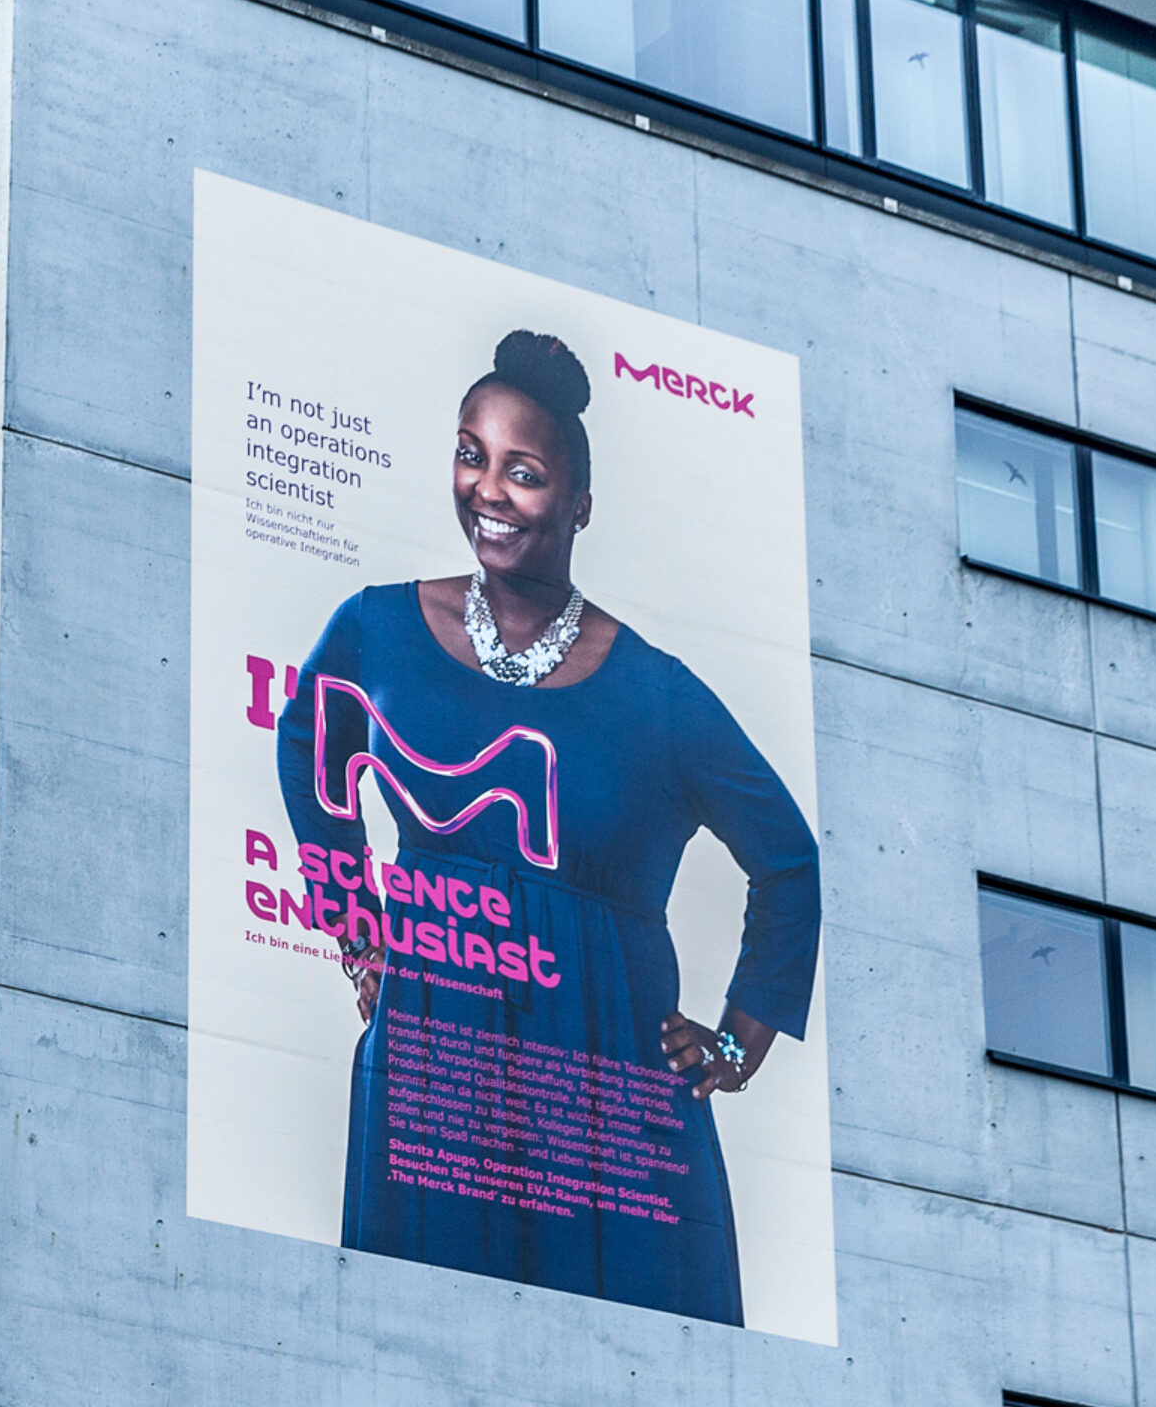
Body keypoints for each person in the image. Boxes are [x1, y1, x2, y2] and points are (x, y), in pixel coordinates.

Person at [276, 330, 819, 1323]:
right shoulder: (378, 628)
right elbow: (309, 741)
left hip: (609, 1100)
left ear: (578, 508)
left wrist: (740, 1045)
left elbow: (788, 858)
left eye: (522, 473)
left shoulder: (657, 693)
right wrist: (358, 934)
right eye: (470, 454)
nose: (486, 489)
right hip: (438, 1069)